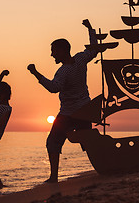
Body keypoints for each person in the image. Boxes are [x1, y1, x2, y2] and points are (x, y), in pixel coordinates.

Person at [27, 20, 98, 183]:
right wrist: (90, 29)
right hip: (85, 110)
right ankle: (103, 164)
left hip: (69, 114)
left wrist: (35, 73)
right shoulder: (80, 59)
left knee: (52, 142)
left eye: (53, 51)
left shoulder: (64, 71)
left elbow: (53, 88)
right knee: (88, 142)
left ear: (62, 50)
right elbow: (94, 50)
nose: (52, 54)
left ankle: (53, 177)